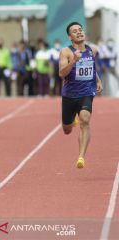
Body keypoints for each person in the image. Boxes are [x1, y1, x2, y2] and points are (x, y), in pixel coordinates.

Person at [59, 22, 103, 169]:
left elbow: (91, 68)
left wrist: (98, 80)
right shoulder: (66, 52)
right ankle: (72, 120)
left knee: (85, 119)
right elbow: (62, 74)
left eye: (80, 30)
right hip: (69, 95)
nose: (79, 32)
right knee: (67, 130)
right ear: (69, 36)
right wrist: (73, 61)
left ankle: (81, 157)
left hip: (86, 92)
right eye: (74, 31)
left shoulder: (93, 50)